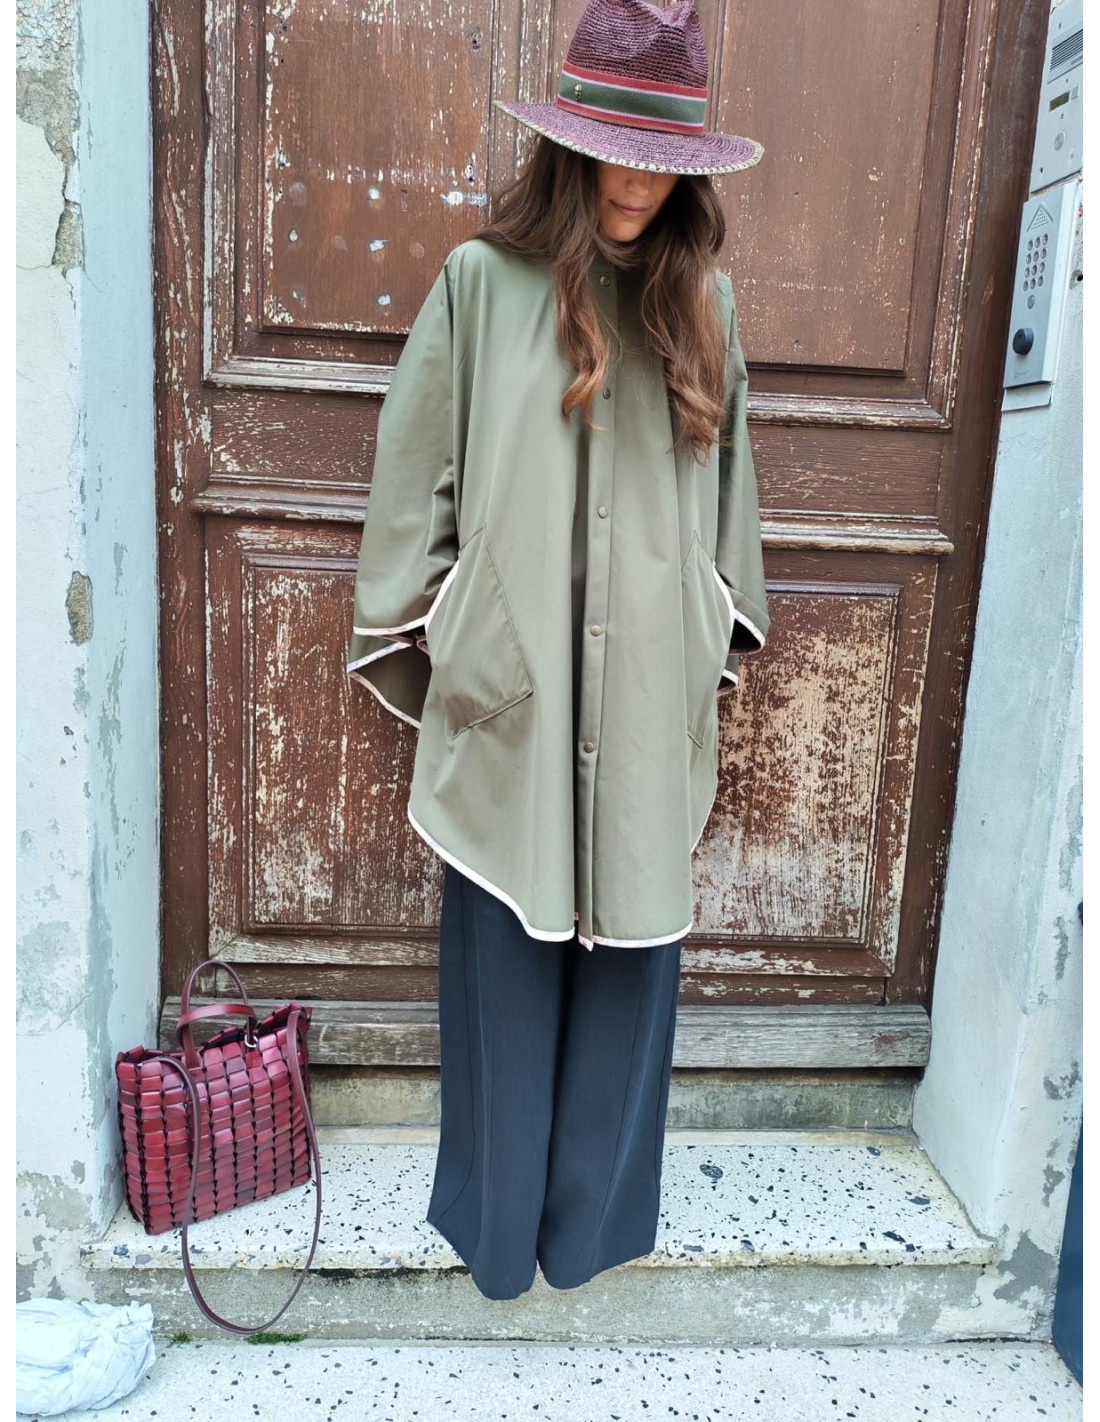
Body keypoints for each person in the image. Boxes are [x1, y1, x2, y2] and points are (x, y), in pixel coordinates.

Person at [346, 0, 769, 1300]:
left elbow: (731, 513)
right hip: (514, 687)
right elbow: (414, 478)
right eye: (615, 153)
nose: (638, 183)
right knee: (504, 962)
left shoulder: (708, 306)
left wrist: (700, 644)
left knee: (633, 959)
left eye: (664, 161)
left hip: (643, 691)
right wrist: (456, 632)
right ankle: (497, 1229)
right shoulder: (481, 285)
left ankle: (589, 1233)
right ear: (570, 147)